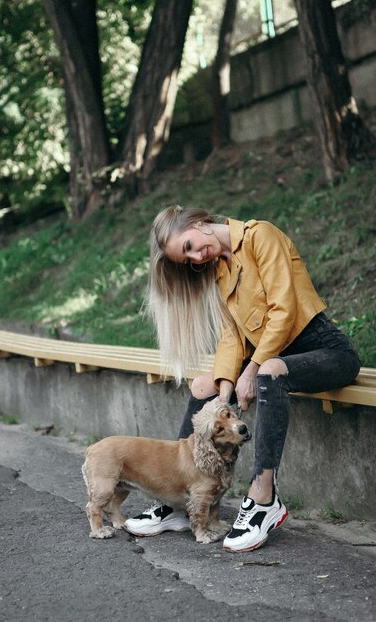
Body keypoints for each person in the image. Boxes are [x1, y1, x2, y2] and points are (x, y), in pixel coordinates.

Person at [124, 206, 361, 552]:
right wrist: (224, 394)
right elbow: (232, 337)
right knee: (205, 387)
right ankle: (181, 497)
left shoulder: (259, 236)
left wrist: (251, 370)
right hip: (275, 354)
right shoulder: (221, 270)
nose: (195, 257)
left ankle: (264, 499)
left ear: (198, 222)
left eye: (189, 244)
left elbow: (285, 310)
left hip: (325, 350)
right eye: (187, 257)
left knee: (268, 372)